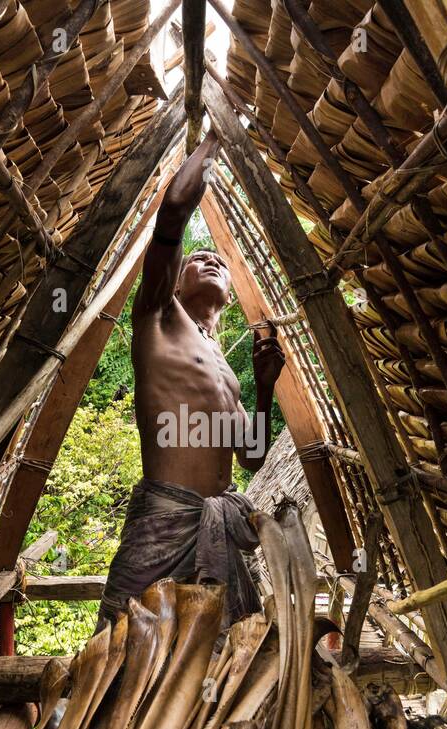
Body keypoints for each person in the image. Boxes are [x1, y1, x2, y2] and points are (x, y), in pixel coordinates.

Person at [97, 130, 286, 630]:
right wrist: (213, 143)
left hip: (215, 528)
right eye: (199, 258)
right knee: (123, 653)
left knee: (218, 666)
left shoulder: (224, 366)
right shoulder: (158, 317)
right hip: (164, 521)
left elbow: (251, 454)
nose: (213, 261)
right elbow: (172, 218)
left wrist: (264, 388)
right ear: (175, 279)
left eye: (220, 262)